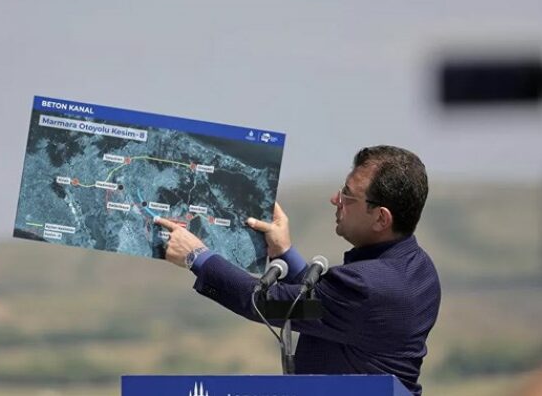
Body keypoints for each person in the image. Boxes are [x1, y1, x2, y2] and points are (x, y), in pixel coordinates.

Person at [155, 145, 441, 396]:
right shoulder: (419, 269)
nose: (335, 199)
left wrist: (196, 256)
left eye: (348, 195)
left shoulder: (368, 287)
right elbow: (324, 309)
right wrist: (283, 252)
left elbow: (264, 303)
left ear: (381, 218)